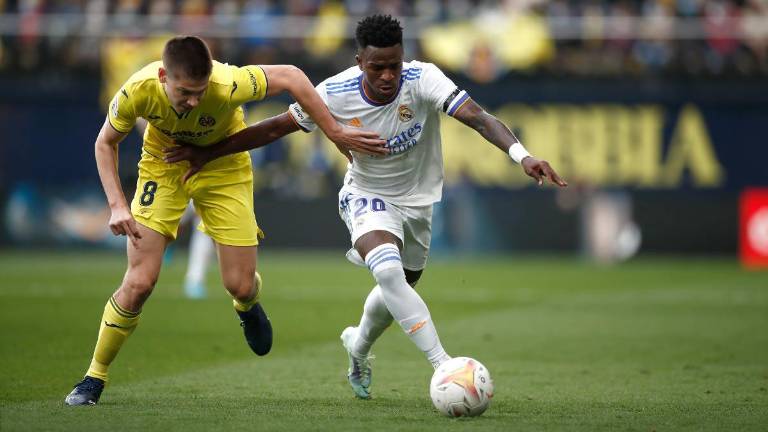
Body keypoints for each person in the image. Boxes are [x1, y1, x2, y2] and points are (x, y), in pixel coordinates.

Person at [164, 16, 567, 400]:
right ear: (360, 61)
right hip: (366, 195)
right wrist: (209, 152)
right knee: (388, 271)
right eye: (377, 67)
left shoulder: (423, 79)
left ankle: (358, 346)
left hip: (419, 201)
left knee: (401, 284)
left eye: (394, 65)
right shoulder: (333, 92)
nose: (388, 75)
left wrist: (522, 155)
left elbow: (478, 117)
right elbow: (275, 127)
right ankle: (444, 365)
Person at [64, 35, 385, 406]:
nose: (194, 101)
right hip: (164, 166)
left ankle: (247, 305)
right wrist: (118, 205)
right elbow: (105, 142)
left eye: (200, 92)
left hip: (224, 167)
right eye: (185, 92)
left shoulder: (228, 82)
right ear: (164, 76)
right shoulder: (138, 89)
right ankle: (94, 377)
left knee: (240, 285)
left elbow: (293, 76)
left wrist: (335, 131)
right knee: (139, 283)